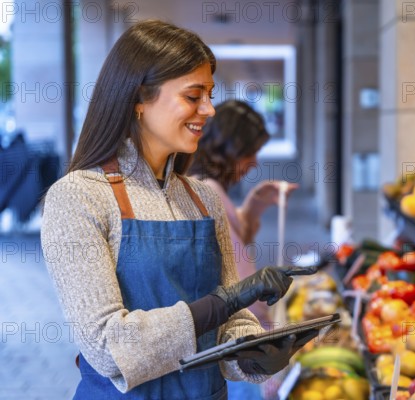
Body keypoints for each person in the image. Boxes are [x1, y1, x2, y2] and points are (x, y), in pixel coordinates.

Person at [41, 20, 311, 399]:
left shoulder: (204, 198)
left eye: (210, 94)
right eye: (193, 95)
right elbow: (107, 348)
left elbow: (230, 326)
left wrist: (251, 354)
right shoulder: (77, 198)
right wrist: (222, 302)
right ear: (138, 99)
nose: (210, 110)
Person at [188, 100, 299, 399]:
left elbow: (231, 244)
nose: (254, 162)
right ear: (230, 147)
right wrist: (268, 338)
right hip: (238, 346)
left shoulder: (202, 185)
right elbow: (240, 276)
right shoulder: (209, 191)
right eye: (251, 152)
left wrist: (255, 204)